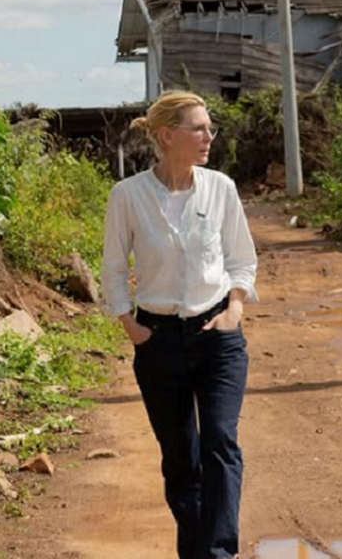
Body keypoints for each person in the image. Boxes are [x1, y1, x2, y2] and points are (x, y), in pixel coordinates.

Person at [100, 90, 258, 559]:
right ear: (168, 136)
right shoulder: (127, 195)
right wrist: (130, 324)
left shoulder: (220, 188)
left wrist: (234, 310)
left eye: (211, 128)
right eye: (199, 128)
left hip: (218, 337)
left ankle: (218, 554)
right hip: (159, 339)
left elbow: (242, 260)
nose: (209, 136)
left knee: (221, 445)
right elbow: (112, 268)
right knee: (180, 461)